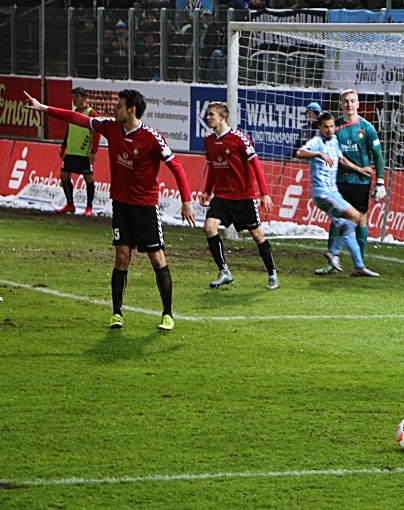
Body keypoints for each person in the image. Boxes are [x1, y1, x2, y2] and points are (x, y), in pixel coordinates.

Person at [24, 89, 197, 331]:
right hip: (121, 205)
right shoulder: (111, 128)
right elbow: (79, 119)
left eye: (120, 106)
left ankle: (167, 313)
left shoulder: (151, 137)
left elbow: (177, 167)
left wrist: (186, 201)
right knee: (121, 257)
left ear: (132, 110)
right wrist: (44, 108)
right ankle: (117, 313)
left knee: (156, 258)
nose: (115, 109)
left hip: (146, 207)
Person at [200, 102, 279, 291]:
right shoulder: (209, 142)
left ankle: (272, 274)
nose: (208, 118)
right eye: (207, 115)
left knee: (257, 235)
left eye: (211, 115)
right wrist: (207, 191)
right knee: (209, 228)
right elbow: (212, 167)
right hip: (221, 197)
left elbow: (256, 164)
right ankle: (224, 271)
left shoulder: (239, 139)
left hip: (243, 197)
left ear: (222, 117)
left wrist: (264, 193)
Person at [296, 112, 380, 277]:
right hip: (323, 192)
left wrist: (359, 169)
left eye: (332, 126)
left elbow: (341, 160)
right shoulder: (316, 141)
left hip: (333, 191)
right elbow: (299, 153)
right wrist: (319, 154)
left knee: (346, 226)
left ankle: (359, 266)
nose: (329, 129)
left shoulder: (334, 140)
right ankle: (333, 252)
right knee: (355, 216)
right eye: (325, 126)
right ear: (319, 127)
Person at [315, 90, 386, 276]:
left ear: (358, 104)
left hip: (360, 182)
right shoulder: (333, 127)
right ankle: (331, 264)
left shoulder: (367, 128)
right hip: (338, 180)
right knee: (336, 219)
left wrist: (380, 182)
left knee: (361, 219)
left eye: (352, 101)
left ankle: (359, 265)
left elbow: (378, 155)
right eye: (346, 101)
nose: (349, 104)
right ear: (341, 104)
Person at [56, 87, 101, 216]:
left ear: (83, 97)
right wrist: (63, 146)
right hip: (71, 151)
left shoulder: (91, 113)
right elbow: (68, 130)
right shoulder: (72, 112)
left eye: (76, 96)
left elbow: (97, 132)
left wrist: (94, 151)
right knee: (64, 176)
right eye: (73, 97)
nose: (74, 99)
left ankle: (89, 207)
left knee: (88, 178)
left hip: (84, 153)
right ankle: (70, 204)